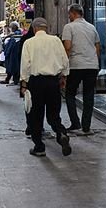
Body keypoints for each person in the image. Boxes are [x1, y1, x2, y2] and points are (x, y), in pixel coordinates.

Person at [20, 17, 71, 157]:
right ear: (46, 28)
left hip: (36, 82)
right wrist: (63, 77)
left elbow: (25, 65)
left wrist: (24, 84)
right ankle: (61, 134)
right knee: (54, 114)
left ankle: (39, 147)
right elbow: (64, 61)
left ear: (34, 28)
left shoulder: (29, 43)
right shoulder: (55, 40)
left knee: (36, 116)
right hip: (53, 81)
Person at [61, 4, 101, 134]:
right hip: (92, 65)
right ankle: (86, 126)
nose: (68, 16)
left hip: (76, 65)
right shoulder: (92, 27)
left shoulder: (69, 27)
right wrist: (94, 60)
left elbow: (67, 47)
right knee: (89, 95)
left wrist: (64, 66)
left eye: (69, 14)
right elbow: (97, 47)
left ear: (73, 13)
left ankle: (75, 123)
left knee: (70, 94)